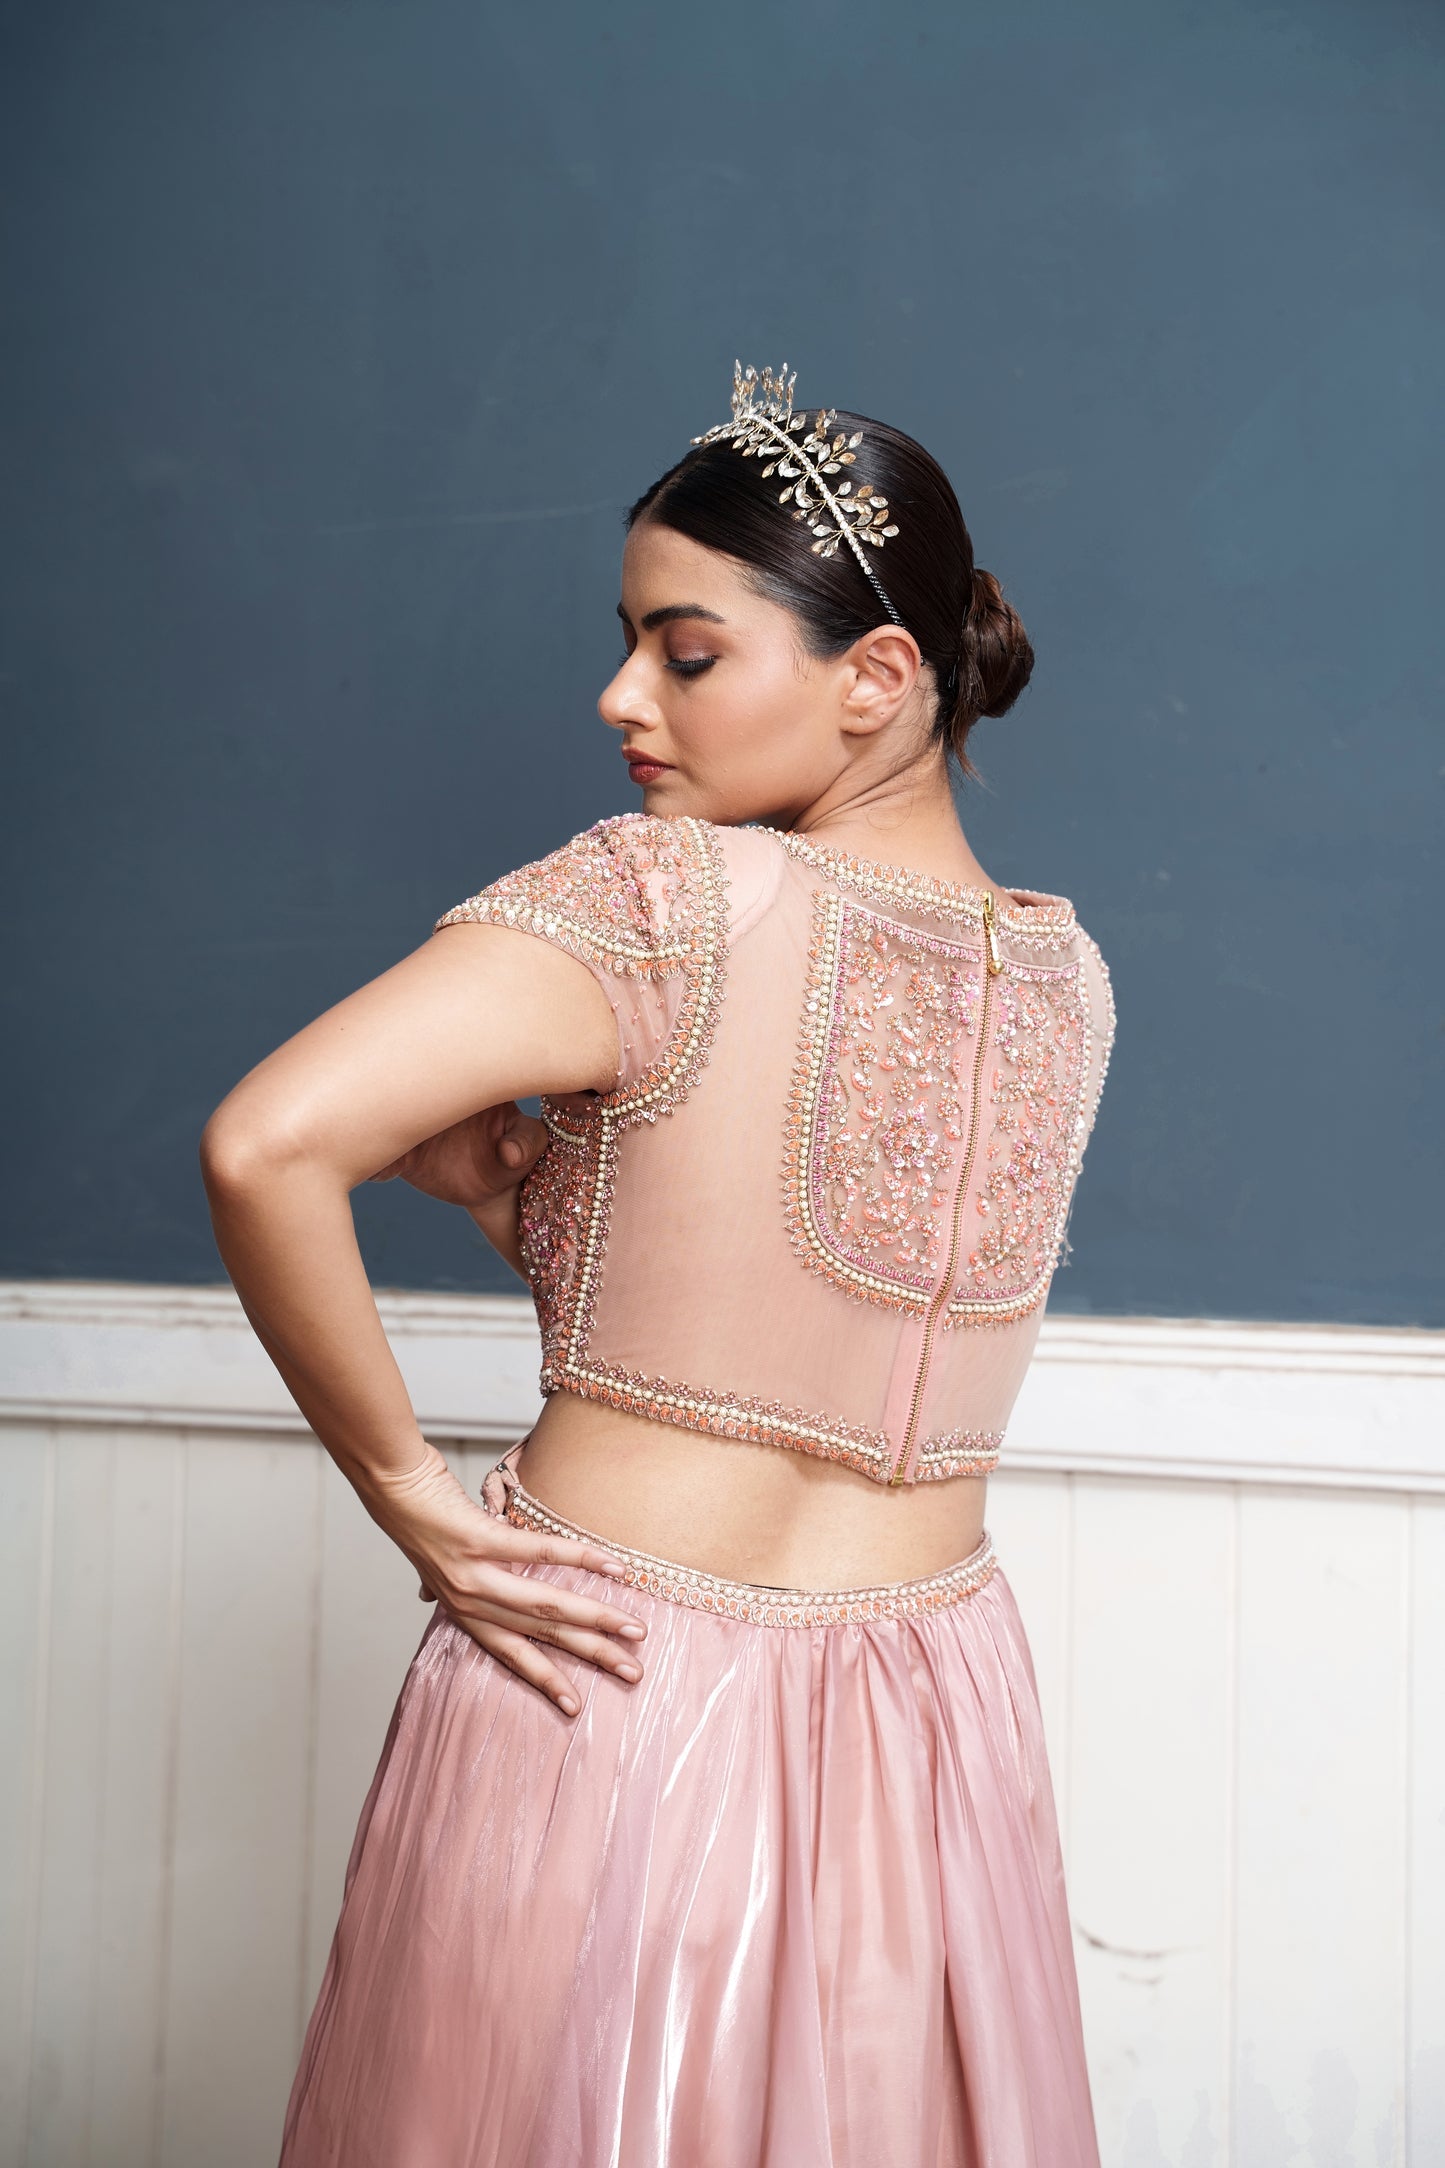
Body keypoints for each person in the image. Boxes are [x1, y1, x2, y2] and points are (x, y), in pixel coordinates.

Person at [201, 360, 1116, 2168]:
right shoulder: (1063, 976)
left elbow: (266, 1142)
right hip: (931, 1711)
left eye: (684, 654)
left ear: (877, 677)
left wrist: (413, 1498)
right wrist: (534, 1204)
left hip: (611, 1681)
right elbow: (787, 1324)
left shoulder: (664, 896)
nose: (622, 697)